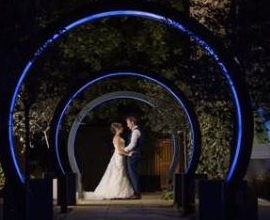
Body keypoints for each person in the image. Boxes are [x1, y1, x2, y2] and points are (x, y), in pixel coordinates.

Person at [93, 123, 134, 199]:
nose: (122, 128)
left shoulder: (118, 137)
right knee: (119, 174)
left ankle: (120, 192)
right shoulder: (117, 138)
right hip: (119, 157)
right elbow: (119, 150)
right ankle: (116, 192)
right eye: (121, 127)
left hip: (120, 157)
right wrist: (128, 154)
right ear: (117, 129)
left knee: (120, 173)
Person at [125, 115, 143, 199]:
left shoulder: (135, 131)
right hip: (135, 154)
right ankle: (136, 192)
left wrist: (124, 150)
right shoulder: (135, 131)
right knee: (133, 173)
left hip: (134, 154)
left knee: (133, 174)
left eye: (128, 123)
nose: (127, 125)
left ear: (132, 122)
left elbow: (132, 144)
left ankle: (137, 193)